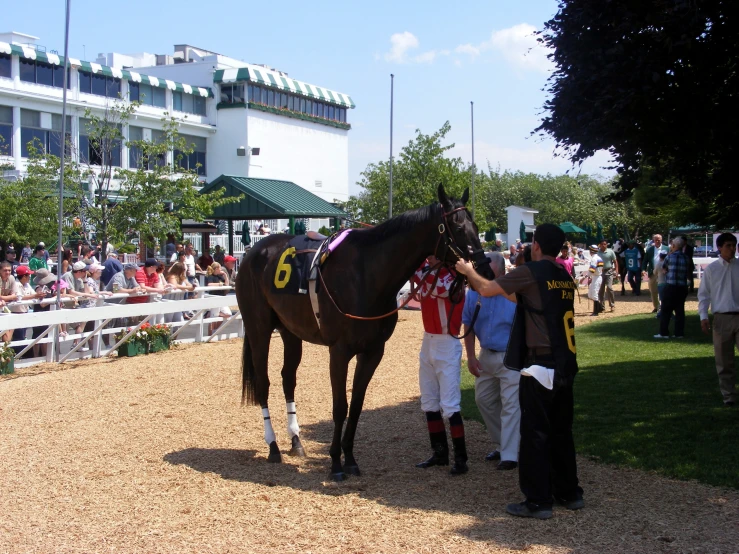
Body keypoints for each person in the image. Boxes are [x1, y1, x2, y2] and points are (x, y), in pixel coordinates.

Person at [456, 223, 583, 520]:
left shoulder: (532, 272)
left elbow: (486, 289)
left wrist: (467, 271)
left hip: (540, 365)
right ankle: (569, 492)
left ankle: (538, 501)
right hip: (565, 363)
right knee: (562, 432)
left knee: (535, 434)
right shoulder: (562, 274)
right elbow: (520, 299)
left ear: (536, 245)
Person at [462, 252, 519, 470]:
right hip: (487, 355)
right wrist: (470, 357)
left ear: (502, 271)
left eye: (487, 270)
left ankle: (510, 455)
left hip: (511, 356)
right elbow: (467, 324)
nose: (481, 274)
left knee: (511, 405)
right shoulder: (473, 293)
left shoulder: (513, 293)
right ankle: (505, 443)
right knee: (483, 400)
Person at [412, 255, 468, 475]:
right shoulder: (429, 272)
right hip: (429, 340)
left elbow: (434, 285)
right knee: (429, 401)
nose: (429, 256)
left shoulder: (454, 278)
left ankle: (461, 458)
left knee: (450, 404)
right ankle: (440, 453)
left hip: (447, 342)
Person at [697, 233, 739, 407]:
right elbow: (704, 295)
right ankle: (729, 396)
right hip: (721, 319)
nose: (732, 249)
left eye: (734, 245)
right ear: (719, 247)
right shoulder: (711, 269)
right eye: (728, 245)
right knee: (723, 361)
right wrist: (703, 317)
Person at [655, 237, 690, 339]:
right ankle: (679, 333)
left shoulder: (669, 257)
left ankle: (664, 333)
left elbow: (664, 269)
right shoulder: (686, 257)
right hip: (682, 287)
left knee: (666, 310)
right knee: (680, 311)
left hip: (670, 286)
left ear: (674, 246)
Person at [642, 234, 669, 313]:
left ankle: (665, 306)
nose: (657, 241)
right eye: (656, 240)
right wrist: (643, 269)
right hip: (653, 272)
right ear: (653, 240)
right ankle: (656, 307)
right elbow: (645, 260)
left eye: (659, 239)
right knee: (653, 290)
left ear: (661, 240)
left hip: (664, 273)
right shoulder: (650, 250)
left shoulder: (666, 248)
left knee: (665, 290)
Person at [205, 262, 232, 334]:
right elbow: (209, 284)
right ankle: (210, 334)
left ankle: (214, 329)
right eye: (219, 268)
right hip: (214, 297)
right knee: (213, 318)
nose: (221, 269)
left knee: (228, 314)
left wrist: (225, 275)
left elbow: (226, 284)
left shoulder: (220, 277)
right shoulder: (211, 276)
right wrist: (219, 284)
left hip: (222, 297)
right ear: (216, 268)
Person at [597, 239, 618, 311]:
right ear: (600, 245)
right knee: (601, 290)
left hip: (609, 271)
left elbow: (615, 261)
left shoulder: (610, 251)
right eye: (602, 244)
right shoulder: (598, 253)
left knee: (609, 288)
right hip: (600, 272)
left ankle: (612, 305)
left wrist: (616, 271)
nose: (603, 245)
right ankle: (602, 306)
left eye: (605, 244)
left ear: (606, 244)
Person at [587, 245, 604, 316]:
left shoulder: (594, 259)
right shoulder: (599, 258)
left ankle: (595, 311)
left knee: (594, 294)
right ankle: (600, 307)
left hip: (596, 277)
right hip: (596, 277)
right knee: (590, 294)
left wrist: (585, 277)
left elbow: (592, 270)